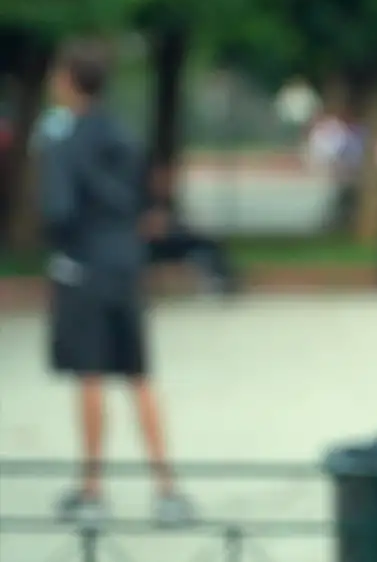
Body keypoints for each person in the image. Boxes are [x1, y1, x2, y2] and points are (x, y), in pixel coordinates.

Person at [36, 39, 197, 526]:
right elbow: (148, 202)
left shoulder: (63, 140)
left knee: (90, 376)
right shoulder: (125, 135)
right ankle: (167, 488)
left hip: (84, 265)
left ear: (69, 81)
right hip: (126, 262)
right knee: (137, 374)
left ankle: (92, 488)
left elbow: (58, 208)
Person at [142, 161, 239, 295]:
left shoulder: (169, 203)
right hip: (148, 246)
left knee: (207, 250)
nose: (166, 182)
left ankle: (219, 283)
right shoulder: (138, 201)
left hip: (174, 241)